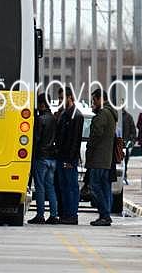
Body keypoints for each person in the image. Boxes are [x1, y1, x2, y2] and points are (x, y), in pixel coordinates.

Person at [86, 89, 118, 226]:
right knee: (104, 188)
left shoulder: (103, 114)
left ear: (100, 99)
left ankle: (104, 215)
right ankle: (105, 215)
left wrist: (89, 148)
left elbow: (96, 134)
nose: (93, 103)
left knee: (95, 187)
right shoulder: (110, 113)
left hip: (99, 158)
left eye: (94, 100)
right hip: (106, 159)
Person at [54, 87, 84, 225]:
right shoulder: (64, 114)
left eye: (62, 98)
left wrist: (71, 159)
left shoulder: (76, 116)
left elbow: (75, 140)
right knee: (63, 186)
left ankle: (71, 214)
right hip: (61, 156)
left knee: (71, 186)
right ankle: (66, 213)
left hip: (68, 158)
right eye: (59, 98)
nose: (60, 101)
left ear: (70, 97)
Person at [28, 93, 59, 224]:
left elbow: (36, 139)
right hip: (52, 158)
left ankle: (40, 215)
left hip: (41, 157)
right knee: (50, 187)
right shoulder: (54, 118)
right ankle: (54, 215)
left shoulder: (40, 120)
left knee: (40, 187)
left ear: (41, 104)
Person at [122, 108, 137, 185]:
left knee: (125, 162)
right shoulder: (114, 115)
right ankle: (122, 177)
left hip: (125, 144)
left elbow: (133, 131)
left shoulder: (128, 117)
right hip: (115, 144)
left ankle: (124, 176)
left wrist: (131, 142)